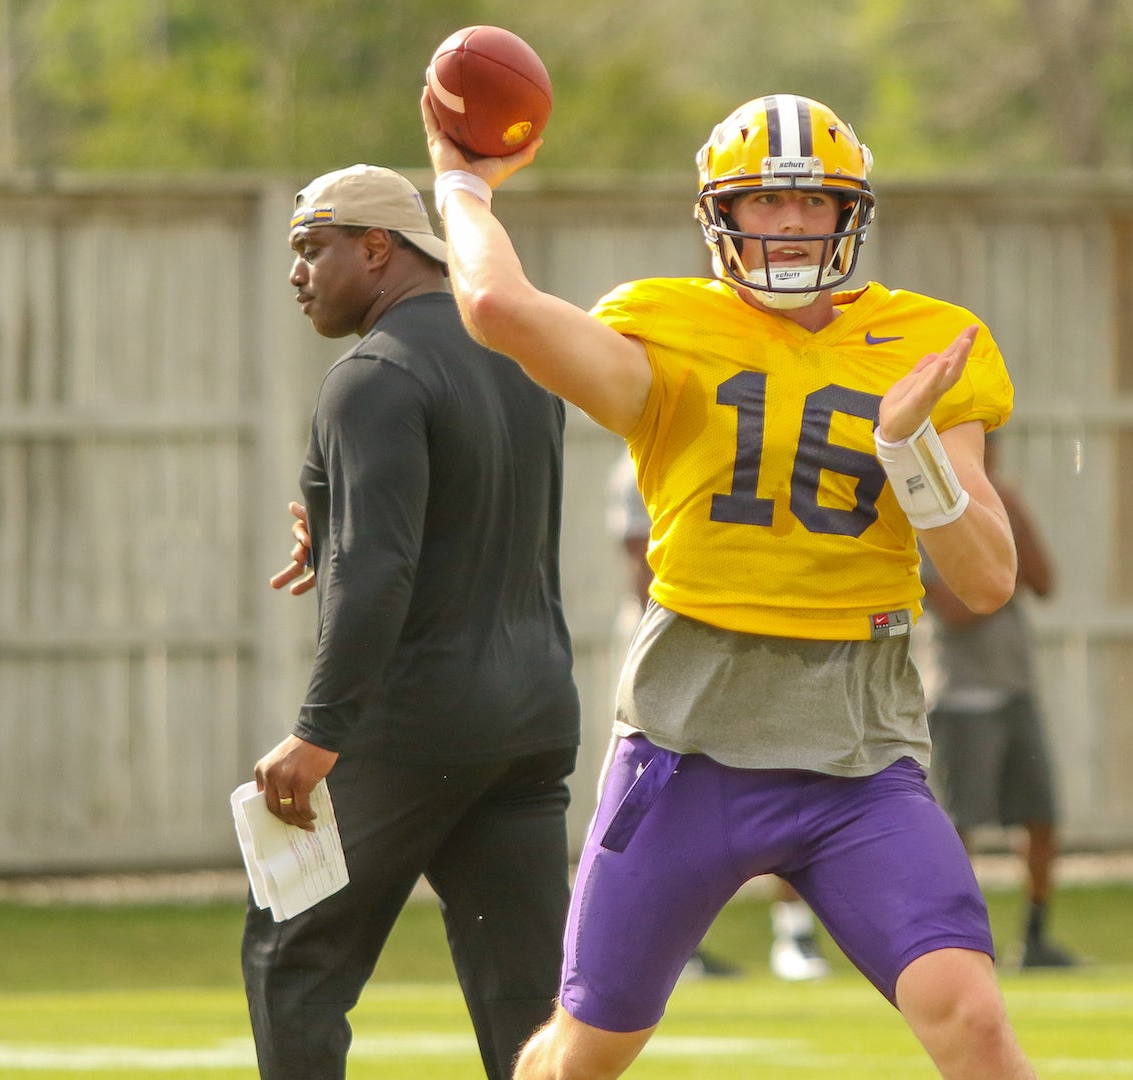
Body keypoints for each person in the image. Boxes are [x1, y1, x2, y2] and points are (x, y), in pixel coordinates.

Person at [423, 92, 1040, 1080]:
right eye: (765, 201)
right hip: (688, 750)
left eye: (814, 203)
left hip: (858, 757)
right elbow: (496, 308)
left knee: (970, 1019)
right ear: (720, 215)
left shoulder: (929, 343)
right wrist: (461, 185)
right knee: (586, 1054)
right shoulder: (667, 331)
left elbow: (987, 574)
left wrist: (905, 443)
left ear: (852, 215)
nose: (792, 224)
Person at [243, 163, 582, 1080]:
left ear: (378, 248)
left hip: (418, 722)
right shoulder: (522, 361)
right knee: (528, 1005)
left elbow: (377, 572)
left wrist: (320, 732)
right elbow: (465, 521)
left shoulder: (372, 375)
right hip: (532, 723)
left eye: (313, 248)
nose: (297, 273)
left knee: (292, 957)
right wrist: (333, 518)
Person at [605, 455, 831, 983]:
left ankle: (793, 934)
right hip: (669, 658)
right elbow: (648, 574)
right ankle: (662, 944)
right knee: (653, 801)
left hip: (743, 647)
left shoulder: (745, 447)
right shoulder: (642, 462)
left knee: (786, 774)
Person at [919, 438, 1078, 971]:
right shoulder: (929, 515)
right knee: (959, 828)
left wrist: (1014, 520)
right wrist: (996, 571)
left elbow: (1046, 582)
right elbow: (957, 608)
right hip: (960, 695)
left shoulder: (1001, 509)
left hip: (1015, 688)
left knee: (1040, 817)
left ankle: (1034, 937)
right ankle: (955, 942)